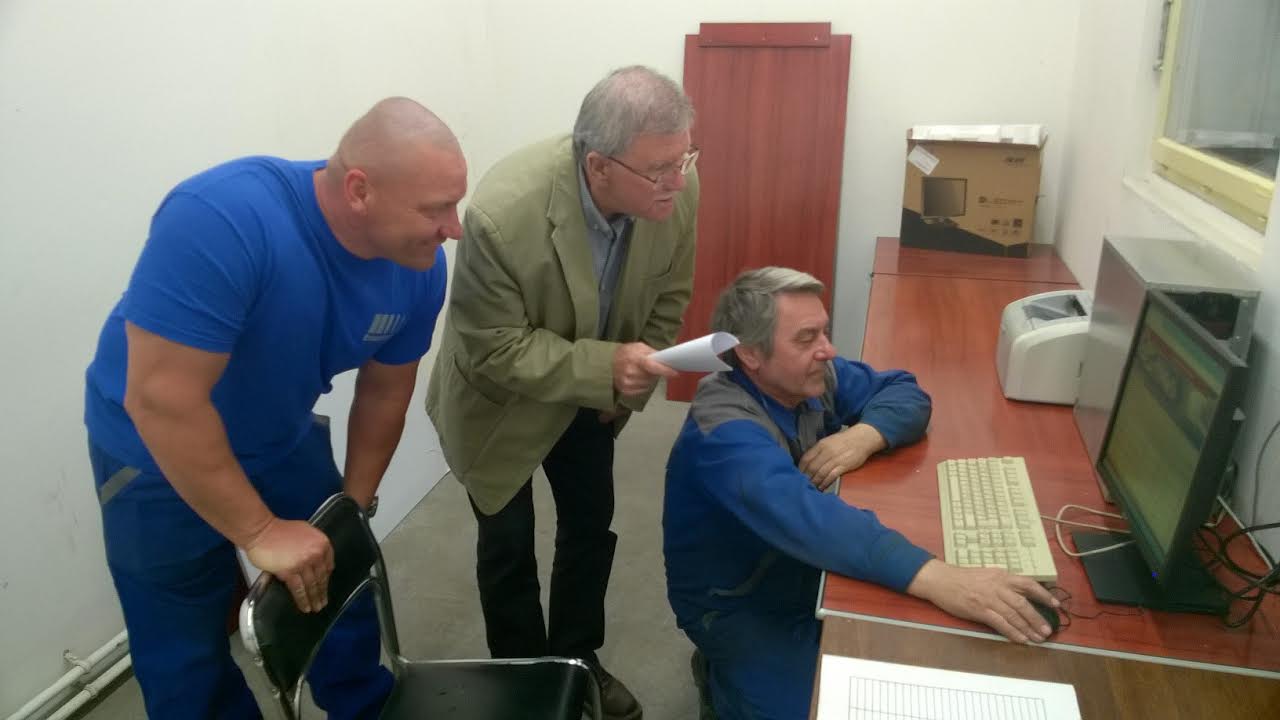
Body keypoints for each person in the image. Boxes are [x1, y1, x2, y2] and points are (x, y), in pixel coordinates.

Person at [83, 97, 466, 718]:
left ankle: (364, 707)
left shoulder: (417, 267)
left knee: (338, 577)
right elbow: (163, 401)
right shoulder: (223, 219)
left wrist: (351, 510)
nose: (454, 228)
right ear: (359, 190)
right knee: (185, 647)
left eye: (455, 205)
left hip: (277, 432)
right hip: (153, 447)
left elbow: (385, 392)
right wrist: (260, 533)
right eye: (436, 209)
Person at [663, 267, 1061, 720]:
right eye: (807, 338)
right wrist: (942, 579)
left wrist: (866, 434)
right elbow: (812, 520)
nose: (827, 350)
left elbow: (903, 391)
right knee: (816, 708)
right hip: (738, 604)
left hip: (796, 567)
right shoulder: (724, 433)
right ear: (750, 354)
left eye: (825, 332)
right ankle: (719, 676)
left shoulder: (806, 378)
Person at [425, 65, 699, 719]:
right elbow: (495, 346)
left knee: (589, 525)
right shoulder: (501, 214)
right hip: (499, 401)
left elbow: (670, 294)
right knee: (508, 545)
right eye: (659, 169)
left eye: (684, 159)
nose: (676, 179)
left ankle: (578, 660)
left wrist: (624, 388)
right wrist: (608, 367)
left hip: (591, 395)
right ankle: (525, 684)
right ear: (599, 165)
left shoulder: (676, 188)